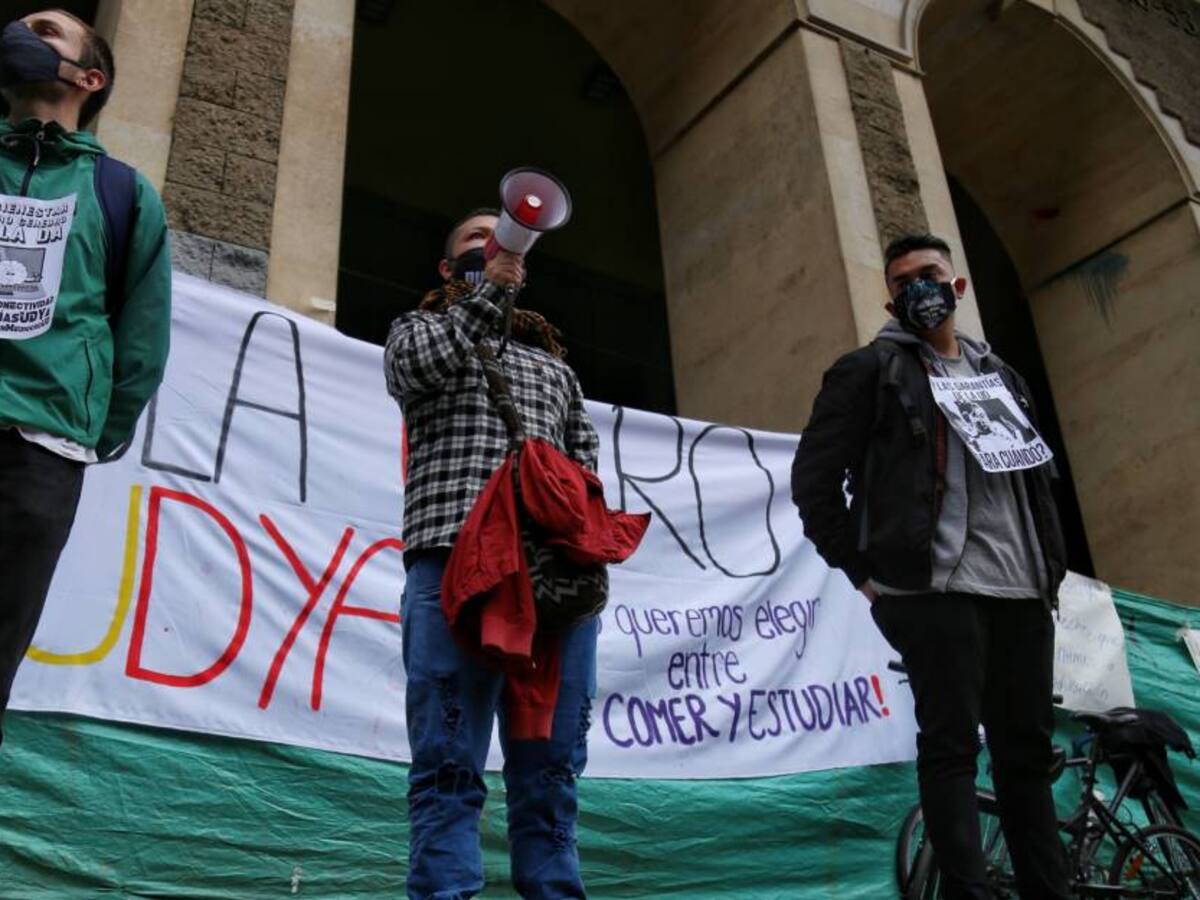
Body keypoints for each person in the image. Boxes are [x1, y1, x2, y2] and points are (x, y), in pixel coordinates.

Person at [791, 233, 1070, 899]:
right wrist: (868, 576)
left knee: (1025, 759)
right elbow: (814, 483)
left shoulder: (1003, 380)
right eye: (904, 280)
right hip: (934, 592)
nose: (919, 288)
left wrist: (1050, 570)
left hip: (1023, 592)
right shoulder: (869, 371)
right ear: (890, 299)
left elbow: (1035, 484)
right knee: (951, 749)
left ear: (957, 287)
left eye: (930, 274)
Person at [384, 209, 600, 899]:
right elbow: (419, 369)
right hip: (453, 565)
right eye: (479, 240)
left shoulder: (554, 368)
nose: (496, 243)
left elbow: (585, 466)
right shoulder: (419, 331)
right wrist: (489, 295)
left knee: (552, 773)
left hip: (550, 585)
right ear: (450, 270)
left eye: (505, 236)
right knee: (448, 766)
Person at [0, 10, 171, 740]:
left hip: (40, 454)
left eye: (44, 29)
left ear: (88, 77)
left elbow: (141, 342)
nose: (19, 31)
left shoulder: (124, 195)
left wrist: (87, 428)